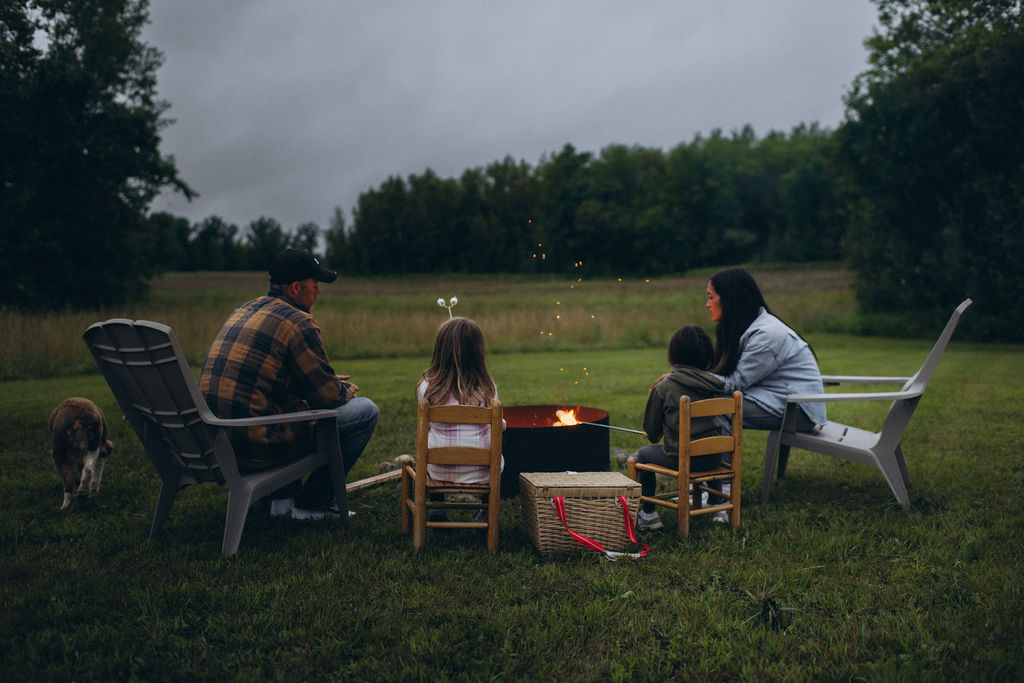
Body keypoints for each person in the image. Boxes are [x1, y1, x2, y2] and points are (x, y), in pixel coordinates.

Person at [200, 248, 379, 520]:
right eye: (315, 286)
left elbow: (265, 380)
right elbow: (328, 398)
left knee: (285, 406)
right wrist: (343, 390)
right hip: (255, 447)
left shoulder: (244, 309)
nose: (318, 293)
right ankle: (311, 506)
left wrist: (321, 382)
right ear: (296, 287)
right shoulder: (298, 321)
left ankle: (281, 500)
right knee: (365, 411)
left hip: (217, 441)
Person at [706, 266, 825, 432]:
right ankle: (693, 454)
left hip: (799, 411)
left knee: (717, 406)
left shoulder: (766, 334)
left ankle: (721, 459)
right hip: (779, 399)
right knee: (708, 400)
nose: (707, 304)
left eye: (711, 297)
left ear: (729, 299)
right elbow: (723, 375)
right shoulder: (746, 328)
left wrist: (686, 379)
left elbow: (734, 383)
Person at [636, 325, 726, 531]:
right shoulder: (715, 385)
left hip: (682, 459)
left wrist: (656, 433)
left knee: (642, 455)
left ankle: (649, 514)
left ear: (672, 357)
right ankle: (717, 504)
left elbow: (651, 433)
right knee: (706, 444)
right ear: (707, 357)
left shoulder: (664, 388)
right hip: (714, 458)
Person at [416, 317, 505, 523]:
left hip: (437, 468)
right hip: (481, 471)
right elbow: (498, 425)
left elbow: (427, 426)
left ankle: (436, 506)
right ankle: (484, 511)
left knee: (432, 436)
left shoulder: (426, 388)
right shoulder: (488, 388)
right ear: (478, 351)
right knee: (498, 437)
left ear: (440, 350)